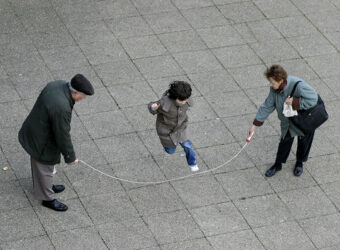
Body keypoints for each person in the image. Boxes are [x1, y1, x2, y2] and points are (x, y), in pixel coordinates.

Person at [18, 74, 94, 211]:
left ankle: (46, 186)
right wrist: (70, 157)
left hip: (35, 130)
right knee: (44, 168)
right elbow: (62, 134)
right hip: (42, 141)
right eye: (83, 95)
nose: (83, 98)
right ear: (75, 92)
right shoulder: (61, 107)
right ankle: (47, 198)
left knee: (43, 168)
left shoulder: (57, 85)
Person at [248, 65, 318, 177]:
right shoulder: (274, 89)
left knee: (304, 142)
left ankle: (300, 162)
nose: (270, 84)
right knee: (284, 142)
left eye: (271, 82)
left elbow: (313, 99)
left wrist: (295, 102)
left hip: (305, 120)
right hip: (288, 122)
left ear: (280, 80)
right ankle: (278, 164)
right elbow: (267, 105)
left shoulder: (298, 85)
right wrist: (254, 126)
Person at [148, 81, 198, 172]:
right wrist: (153, 108)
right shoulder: (164, 103)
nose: (183, 102)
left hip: (181, 128)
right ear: (175, 97)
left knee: (188, 146)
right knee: (171, 150)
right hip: (167, 131)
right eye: (181, 100)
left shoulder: (185, 98)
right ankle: (167, 149)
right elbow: (152, 108)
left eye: (185, 100)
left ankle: (192, 163)